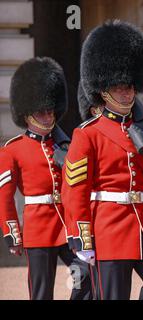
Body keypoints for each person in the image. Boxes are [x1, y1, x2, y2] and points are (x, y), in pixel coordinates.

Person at [61, 20, 143, 300]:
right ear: (104, 90)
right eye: (119, 87)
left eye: (130, 86)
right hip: (110, 228)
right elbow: (75, 191)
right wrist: (81, 237)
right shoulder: (87, 134)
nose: (127, 92)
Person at [0, 57, 94, 300]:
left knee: (86, 277)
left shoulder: (66, 144)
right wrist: (13, 232)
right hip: (38, 228)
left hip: (67, 225)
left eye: (50, 111)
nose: (47, 116)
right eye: (41, 112)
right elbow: (5, 197)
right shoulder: (12, 149)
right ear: (28, 113)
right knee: (41, 292)